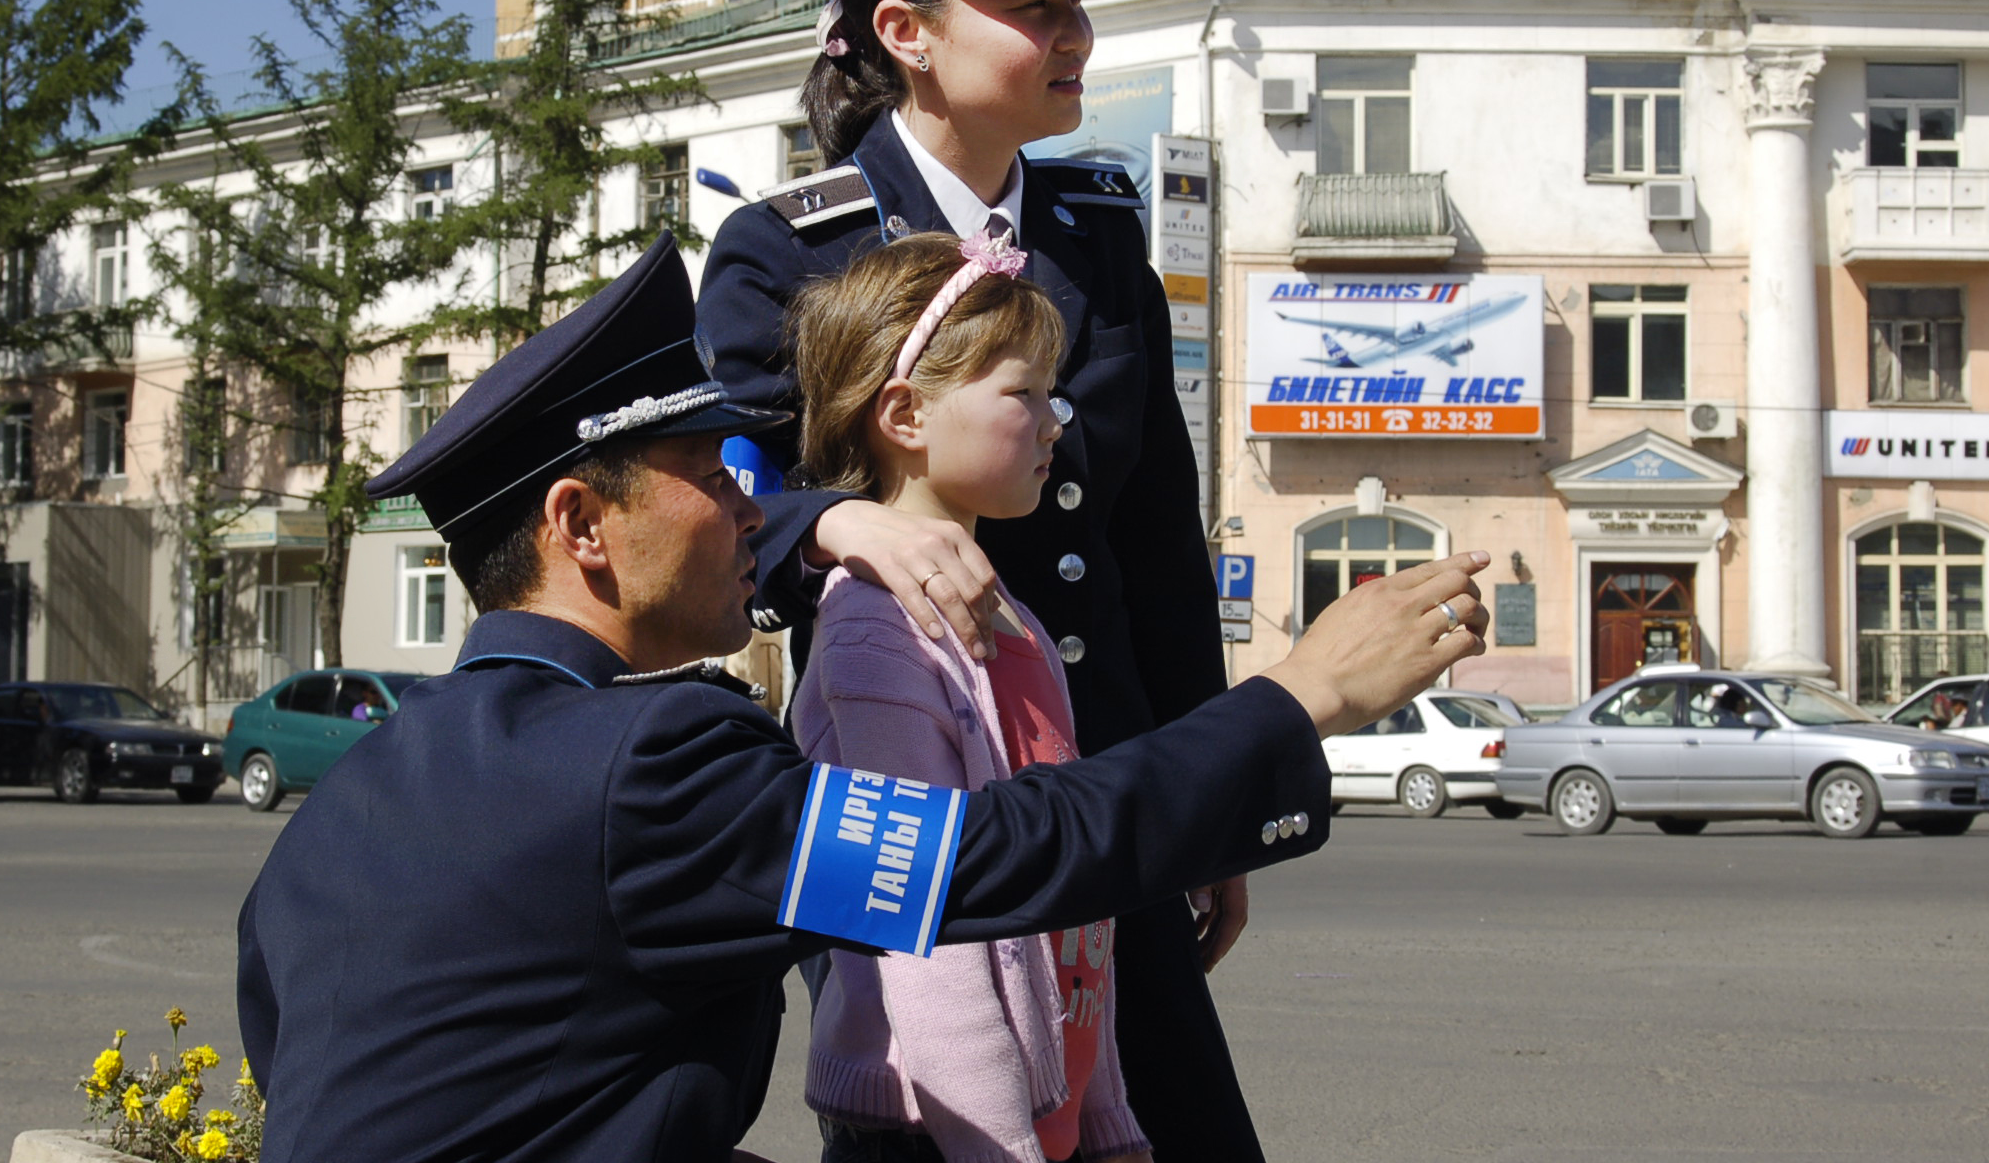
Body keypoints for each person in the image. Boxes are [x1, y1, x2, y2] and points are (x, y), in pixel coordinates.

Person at [236, 233, 1490, 1163]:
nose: (753, 504)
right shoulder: (658, 766)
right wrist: (1300, 693)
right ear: (582, 524)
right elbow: (976, 864)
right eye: (709, 472)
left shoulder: (342, 806)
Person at [697, 0, 1263, 1161]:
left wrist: (1208, 805)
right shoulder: (792, 248)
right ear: (906, 32)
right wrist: (838, 530)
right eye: (1038, 7)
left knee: (1168, 1131)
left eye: (1081, 3)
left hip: (1104, 780)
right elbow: (720, 505)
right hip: (893, 783)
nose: (1079, 33)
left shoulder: (1097, 234)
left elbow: (1150, 552)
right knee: (923, 1121)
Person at [788, 230, 1146, 1163]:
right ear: (905, 414)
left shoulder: (1010, 615)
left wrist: (1104, 1122)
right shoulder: (872, 628)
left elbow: (1074, 909)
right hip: (928, 1126)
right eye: (1022, 393)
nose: (1056, 420)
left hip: (1031, 1119)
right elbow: (910, 925)